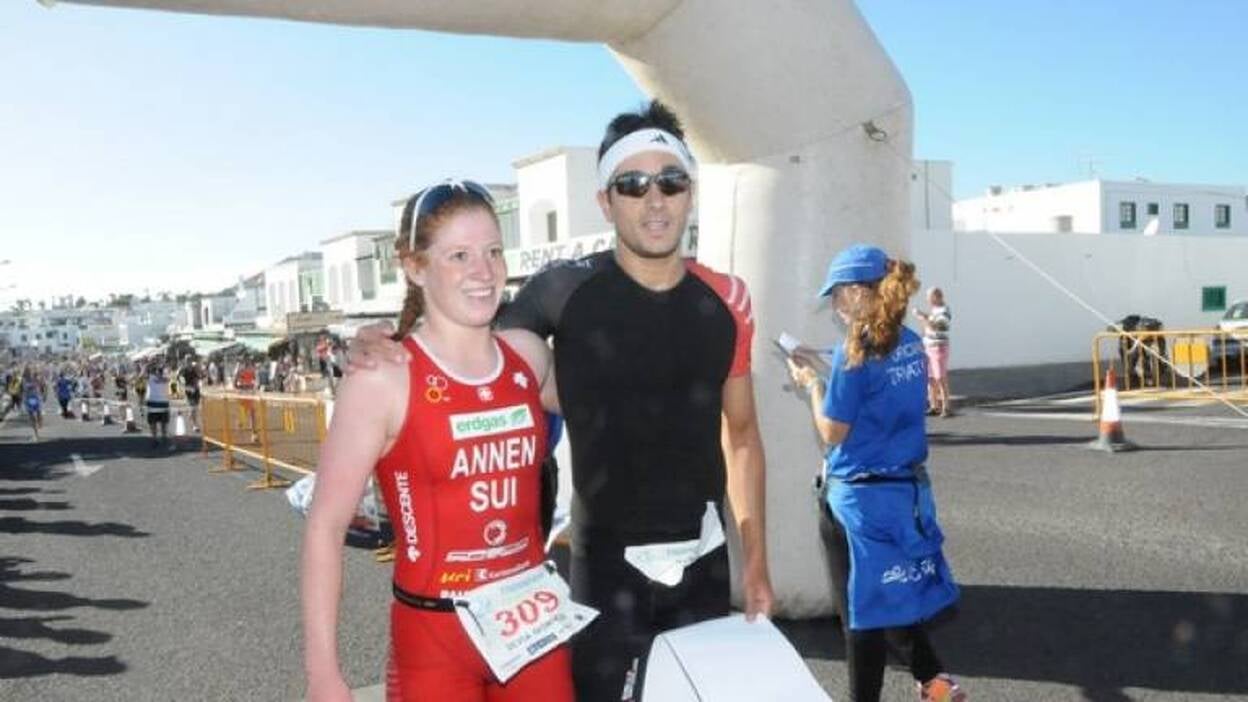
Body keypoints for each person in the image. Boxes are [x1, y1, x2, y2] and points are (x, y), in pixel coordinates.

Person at [351, 101, 774, 702]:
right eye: (632, 185)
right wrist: (388, 344)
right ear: (606, 201)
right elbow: (472, 350)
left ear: (691, 192)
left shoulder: (729, 299)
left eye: (671, 181)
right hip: (602, 572)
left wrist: (755, 559)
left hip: (704, 567)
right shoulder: (564, 289)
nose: (654, 200)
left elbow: (743, 435)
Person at [301, 180, 576, 702]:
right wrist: (323, 674)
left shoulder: (527, 356)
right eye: (459, 255)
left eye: (494, 251)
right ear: (414, 267)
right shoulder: (383, 377)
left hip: (534, 631)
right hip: (434, 639)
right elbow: (325, 524)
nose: (484, 270)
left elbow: (613, 405)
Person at [786, 244, 964, 702]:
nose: (836, 305)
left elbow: (832, 430)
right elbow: (872, 368)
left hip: (856, 501)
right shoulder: (908, 342)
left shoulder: (854, 353)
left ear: (855, 292)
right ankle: (939, 685)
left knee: (859, 614)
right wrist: (820, 354)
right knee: (895, 594)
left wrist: (812, 386)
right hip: (904, 495)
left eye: (838, 295)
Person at [913, 287, 952, 417]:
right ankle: (934, 405)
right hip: (929, 346)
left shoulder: (944, 310)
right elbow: (928, 327)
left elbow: (940, 326)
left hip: (938, 347)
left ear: (936, 296)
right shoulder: (934, 310)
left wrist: (922, 317)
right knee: (930, 378)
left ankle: (946, 406)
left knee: (940, 377)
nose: (927, 300)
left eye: (929, 297)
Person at [145, 364, 171, 448]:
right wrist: (145, 366)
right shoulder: (151, 378)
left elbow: (167, 376)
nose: (159, 372)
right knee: (153, 423)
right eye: (157, 371)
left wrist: (146, 367)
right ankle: (155, 439)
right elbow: (141, 376)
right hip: (154, 403)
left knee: (162, 423)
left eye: (160, 371)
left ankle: (162, 438)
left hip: (161, 403)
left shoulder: (163, 377)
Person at [21, 368, 44, 442]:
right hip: (29, 399)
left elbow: (42, 387)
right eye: (28, 373)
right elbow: (23, 390)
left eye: (30, 373)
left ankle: (38, 429)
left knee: (36, 415)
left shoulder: (36, 379)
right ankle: (36, 434)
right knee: (32, 417)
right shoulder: (24, 380)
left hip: (35, 398)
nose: (29, 374)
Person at [180, 360, 202, 432]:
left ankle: (192, 419)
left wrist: (197, 386)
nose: (189, 362)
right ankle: (194, 425)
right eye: (187, 360)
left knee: (195, 409)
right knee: (192, 409)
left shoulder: (194, 370)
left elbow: (199, 378)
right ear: (186, 361)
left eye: (190, 359)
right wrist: (187, 388)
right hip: (189, 391)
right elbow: (181, 381)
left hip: (196, 391)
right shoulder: (184, 371)